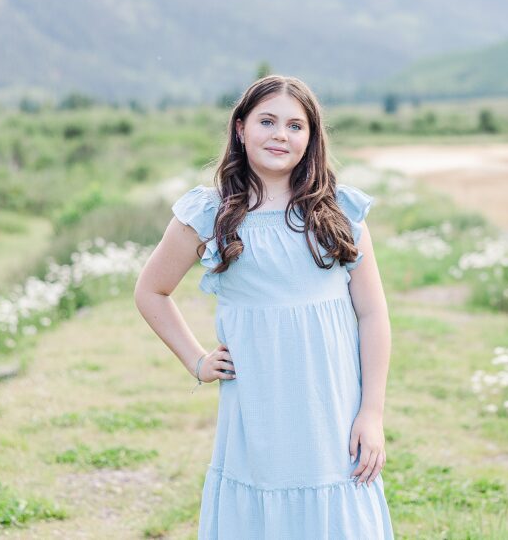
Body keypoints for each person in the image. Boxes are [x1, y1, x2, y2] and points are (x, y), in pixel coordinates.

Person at [133, 75, 395, 539]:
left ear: (311, 138)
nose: (280, 134)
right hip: (259, 410)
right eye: (267, 121)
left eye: (296, 126)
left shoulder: (339, 212)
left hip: (332, 409)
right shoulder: (209, 213)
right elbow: (151, 291)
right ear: (240, 128)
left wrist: (371, 414)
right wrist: (196, 360)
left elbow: (373, 315)